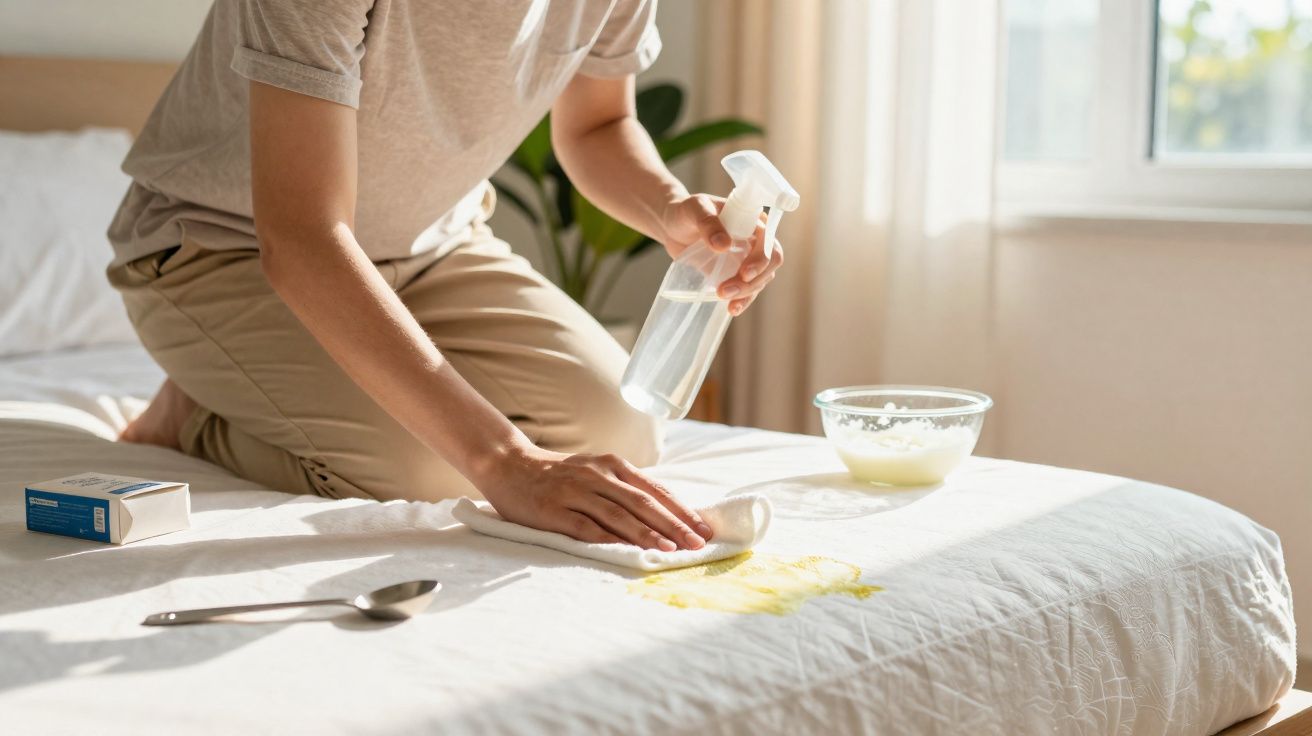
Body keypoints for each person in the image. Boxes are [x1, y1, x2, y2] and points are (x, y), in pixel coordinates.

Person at [108, 0, 782, 553]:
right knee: (434, 471)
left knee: (624, 428)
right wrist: (508, 461)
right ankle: (191, 412)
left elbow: (601, 123)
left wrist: (669, 209)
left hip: (435, 247)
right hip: (218, 249)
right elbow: (303, 237)